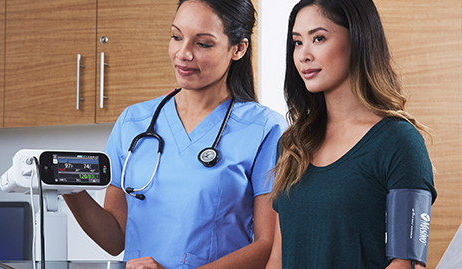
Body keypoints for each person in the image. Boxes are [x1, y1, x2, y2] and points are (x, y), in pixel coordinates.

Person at [63, 0, 287, 268]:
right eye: (176, 37)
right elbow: (115, 239)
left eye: (202, 43)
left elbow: (268, 245)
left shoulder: (265, 129)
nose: (183, 53)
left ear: (238, 48)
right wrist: (67, 187)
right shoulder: (133, 123)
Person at [265, 0, 437, 268]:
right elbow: (278, 257)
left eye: (318, 38)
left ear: (358, 38)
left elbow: (404, 264)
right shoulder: (292, 144)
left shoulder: (399, 142)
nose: (303, 55)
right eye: (298, 42)